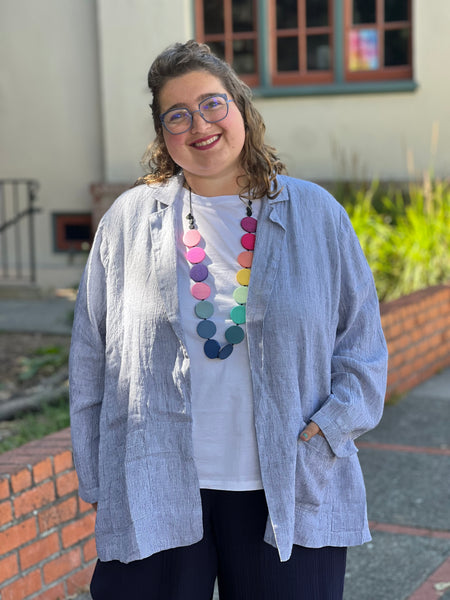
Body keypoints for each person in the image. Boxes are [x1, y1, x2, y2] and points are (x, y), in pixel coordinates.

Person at [69, 40, 388, 600]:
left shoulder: (317, 215)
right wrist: (99, 480)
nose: (199, 124)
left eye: (212, 103)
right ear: (163, 134)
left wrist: (330, 427)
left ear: (240, 106)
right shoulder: (126, 222)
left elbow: (362, 347)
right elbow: (90, 359)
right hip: (153, 484)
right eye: (177, 115)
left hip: (286, 483)